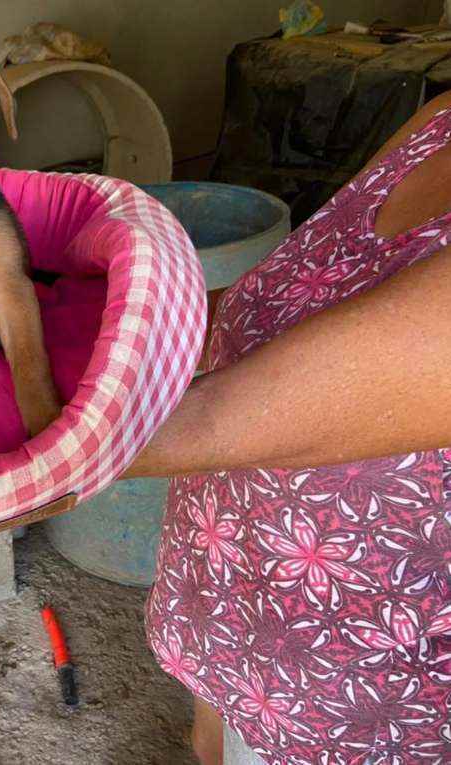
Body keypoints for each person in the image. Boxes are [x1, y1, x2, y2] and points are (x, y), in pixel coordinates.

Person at [126, 93, 451, 765]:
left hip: (357, 688)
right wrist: (91, 318)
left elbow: (213, 420)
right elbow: (281, 297)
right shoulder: (440, 121)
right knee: (213, 746)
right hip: (230, 599)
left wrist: (26, 444)